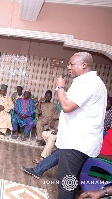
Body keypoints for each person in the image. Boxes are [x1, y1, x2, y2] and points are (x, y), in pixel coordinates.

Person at [55, 52, 107, 198]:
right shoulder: (90, 82)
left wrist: (59, 88)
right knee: (71, 183)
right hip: (80, 142)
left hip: (77, 143)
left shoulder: (88, 83)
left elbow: (66, 106)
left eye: (72, 64)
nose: (68, 67)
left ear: (84, 65)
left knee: (65, 183)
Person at [22, 127, 112, 180]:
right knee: (63, 149)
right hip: (92, 153)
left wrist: (95, 154)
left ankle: (38, 170)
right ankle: (38, 170)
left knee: (64, 152)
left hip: (100, 162)